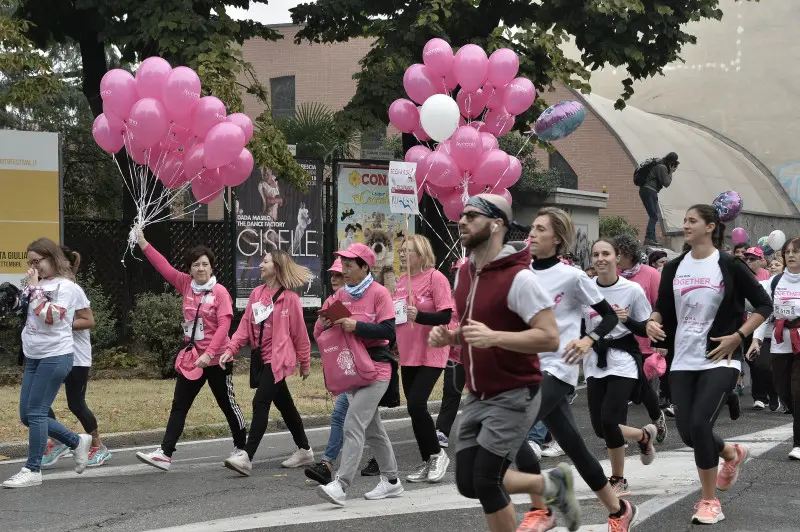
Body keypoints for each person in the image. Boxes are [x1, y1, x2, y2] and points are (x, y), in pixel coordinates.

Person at [428, 194, 581, 532]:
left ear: (496, 223)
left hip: (515, 392)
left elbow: (549, 337)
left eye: (472, 216)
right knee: (468, 483)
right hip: (478, 394)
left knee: (486, 481)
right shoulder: (465, 274)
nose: (462, 221)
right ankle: (551, 485)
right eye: (462, 215)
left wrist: (496, 338)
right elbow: (474, 330)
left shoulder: (520, 279)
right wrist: (451, 337)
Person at [513, 207, 637, 532]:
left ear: (557, 239)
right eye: (533, 228)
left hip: (559, 368)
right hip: (527, 368)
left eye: (541, 229)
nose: (533, 234)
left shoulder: (572, 277)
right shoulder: (521, 272)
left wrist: (588, 340)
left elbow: (608, 316)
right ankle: (618, 508)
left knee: (513, 426)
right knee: (575, 448)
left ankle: (542, 508)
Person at [647, 204, 771, 525]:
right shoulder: (674, 268)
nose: (685, 226)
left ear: (710, 227)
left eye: (692, 221)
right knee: (688, 433)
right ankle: (730, 453)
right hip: (682, 359)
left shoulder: (728, 264)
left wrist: (738, 336)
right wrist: (653, 321)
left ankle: (709, 501)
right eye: (685, 220)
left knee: (701, 425)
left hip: (721, 356)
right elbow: (662, 306)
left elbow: (763, 304)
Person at [135, 231, 246, 471]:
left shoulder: (220, 292)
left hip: (217, 360)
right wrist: (143, 242)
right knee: (179, 405)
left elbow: (225, 324)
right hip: (193, 359)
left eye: (205, 264)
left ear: (212, 267)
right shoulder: (185, 284)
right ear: (189, 269)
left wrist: (210, 353)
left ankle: (242, 448)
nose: (201, 269)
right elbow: (162, 266)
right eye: (196, 265)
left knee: (227, 404)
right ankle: (165, 453)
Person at [314, 243, 402, 506]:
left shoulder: (379, 294)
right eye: (343, 265)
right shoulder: (340, 297)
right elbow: (321, 333)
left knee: (353, 423)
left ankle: (340, 485)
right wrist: (324, 323)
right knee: (373, 429)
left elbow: (389, 331)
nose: (345, 270)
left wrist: (357, 326)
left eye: (350, 266)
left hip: (377, 370)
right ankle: (392, 481)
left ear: (365, 267)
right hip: (352, 371)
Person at [3, 238, 92, 488]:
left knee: (37, 413)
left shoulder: (67, 287)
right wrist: (12, 300)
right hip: (33, 356)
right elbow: (27, 311)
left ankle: (32, 469)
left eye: (37, 262)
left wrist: (34, 288)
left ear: (52, 258)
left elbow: (51, 316)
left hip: (56, 356)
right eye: (30, 263)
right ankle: (76, 441)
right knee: (26, 415)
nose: (34, 267)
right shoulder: (38, 284)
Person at [574, 238, 657, 498]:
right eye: (596, 254)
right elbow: (581, 326)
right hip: (595, 361)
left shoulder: (631, 290)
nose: (600, 259)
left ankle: (618, 478)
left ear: (617, 257)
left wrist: (626, 319)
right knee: (601, 428)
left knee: (611, 420)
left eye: (606, 254)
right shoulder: (585, 290)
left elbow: (646, 328)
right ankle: (643, 436)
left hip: (623, 359)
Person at [221, 250, 314, 476]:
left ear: (277, 267)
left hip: (279, 360)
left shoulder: (290, 299)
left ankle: (247, 456)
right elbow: (245, 326)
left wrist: (305, 362)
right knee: (285, 405)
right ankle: (305, 449)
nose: (260, 265)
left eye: (265, 262)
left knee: (260, 402)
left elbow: (300, 334)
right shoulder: (257, 294)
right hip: (261, 359)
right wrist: (231, 349)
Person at [41, 246, 110, 469]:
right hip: (51, 353)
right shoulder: (45, 288)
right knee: (39, 403)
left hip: (77, 357)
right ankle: (57, 441)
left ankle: (98, 446)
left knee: (76, 404)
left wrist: (61, 323)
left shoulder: (74, 289)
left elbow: (89, 321)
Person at [305, 258, 371, 485]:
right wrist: (326, 322)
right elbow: (317, 334)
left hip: (365, 367)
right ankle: (380, 462)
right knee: (363, 421)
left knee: (348, 416)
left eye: (339, 275)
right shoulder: (331, 301)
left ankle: (329, 464)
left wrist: (348, 322)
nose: (334, 279)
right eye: (332, 275)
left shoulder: (363, 298)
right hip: (344, 368)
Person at [394, 234, 453, 483]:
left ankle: (439, 454)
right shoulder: (400, 281)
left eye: (408, 250)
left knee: (417, 403)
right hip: (407, 352)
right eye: (401, 251)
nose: (403, 254)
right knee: (413, 410)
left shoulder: (435, 278)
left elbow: (446, 315)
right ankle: (427, 459)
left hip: (431, 349)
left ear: (422, 253)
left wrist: (420, 316)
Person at [749, 237, 800, 459]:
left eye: (796, 251)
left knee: (798, 393)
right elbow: (765, 313)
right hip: (780, 343)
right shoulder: (775, 282)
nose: (791, 255)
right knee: (784, 392)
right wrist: (756, 340)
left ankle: (798, 444)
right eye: (788, 251)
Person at [615, 234, 668, 444]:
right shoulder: (613, 275)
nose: (615, 259)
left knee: (643, 390)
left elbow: (660, 307)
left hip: (644, 343)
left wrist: (660, 343)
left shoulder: (651, 274)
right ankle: (620, 435)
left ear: (629, 255)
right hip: (617, 343)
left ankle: (656, 416)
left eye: (618, 254)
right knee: (619, 389)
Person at [639, 152, 679, 246]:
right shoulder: (662, 167)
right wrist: (671, 172)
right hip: (649, 190)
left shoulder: (659, 164)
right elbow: (666, 183)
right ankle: (649, 238)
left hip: (648, 190)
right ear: (671, 162)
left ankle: (651, 238)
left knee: (654, 215)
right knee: (653, 215)